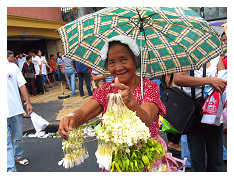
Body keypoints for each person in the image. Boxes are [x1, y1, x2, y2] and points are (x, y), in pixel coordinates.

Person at [58, 35, 178, 172]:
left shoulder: (150, 87)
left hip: (147, 159)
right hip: (117, 162)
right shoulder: (106, 89)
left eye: (124, 59)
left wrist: (132, 103)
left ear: (135, 61)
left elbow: (147, 120)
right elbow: (85, 112)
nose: (118, 67)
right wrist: (72, 118)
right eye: (111, 62)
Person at [174, 55, 227, 172]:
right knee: (197, 158)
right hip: (194, 112)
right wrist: (209, 80)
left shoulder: (216, 57)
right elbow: (177, 79)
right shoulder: (185, 56)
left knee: (217, 158)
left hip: (214, 112)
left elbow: (224, 76)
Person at [7, 50, 34, 172]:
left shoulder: (12, 67)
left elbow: (22, 84)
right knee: (6, 142)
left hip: (15, 109)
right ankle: (10, 169)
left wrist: (28, 102)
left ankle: (17, 156)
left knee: (18, 137)